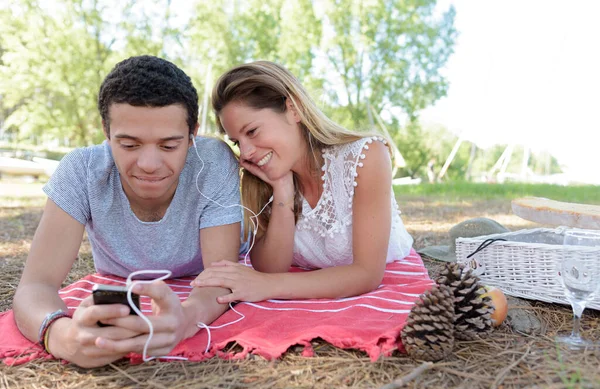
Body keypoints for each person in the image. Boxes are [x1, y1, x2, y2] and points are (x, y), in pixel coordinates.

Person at [12, 55, 242, 368]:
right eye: (130, 145)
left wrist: (186, 319)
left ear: (193, 134)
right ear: (106, 131)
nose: (149, 164)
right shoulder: (81, 170)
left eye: (169, 145)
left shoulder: (214, 162)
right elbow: (35, 286)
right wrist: (61, 336)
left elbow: (219, 278)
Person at [192, 61, 414, 302]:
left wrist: (269, 286)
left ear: (293, 108)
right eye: (237, 142)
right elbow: (271, 269)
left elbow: (367, 274)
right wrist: (283, 190)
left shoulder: (365, 157)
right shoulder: (263, 179)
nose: (245, 152)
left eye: (252, 131)